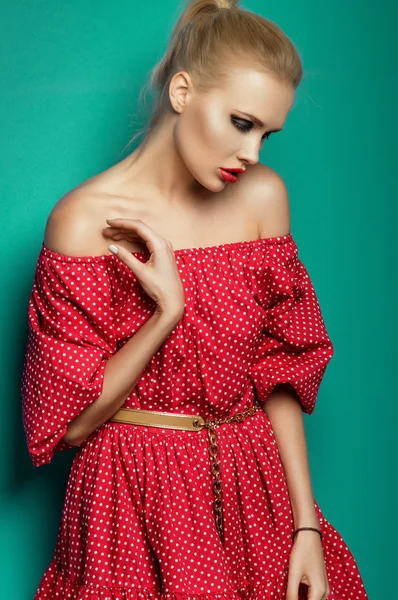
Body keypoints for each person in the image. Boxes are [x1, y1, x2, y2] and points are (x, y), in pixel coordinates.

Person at [21, 1, 368, 599]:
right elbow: (71, 426)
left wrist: (305, 523)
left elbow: (279, 371)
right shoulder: (82, 222)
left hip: (252, 487)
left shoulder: (263, 198)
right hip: (130, 498)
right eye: (241, 122)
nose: (253, 153)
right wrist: (166, 315)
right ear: (183, 91)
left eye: (267, 133)